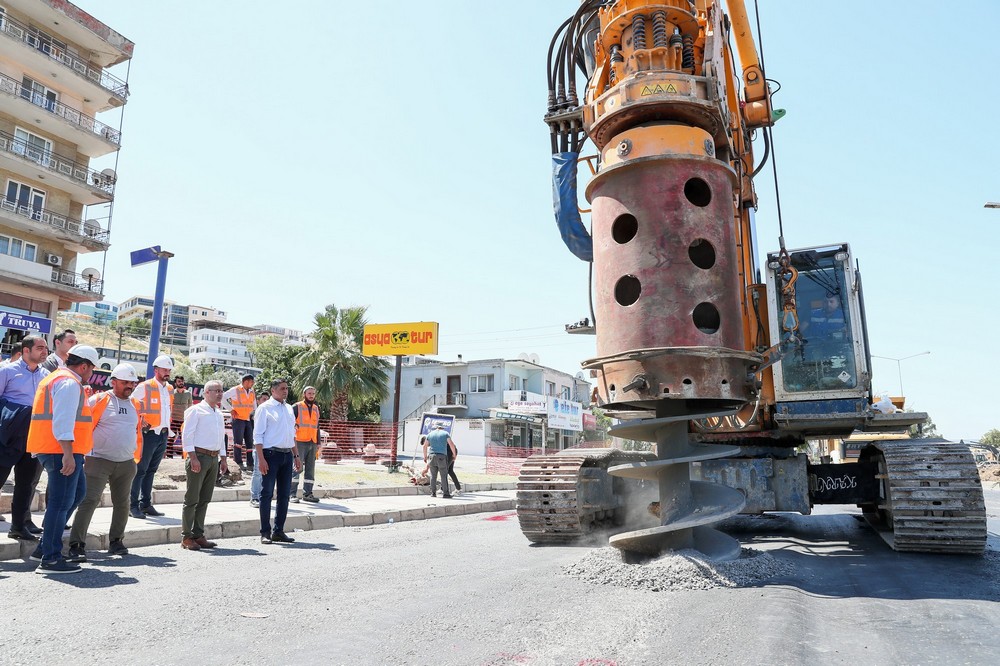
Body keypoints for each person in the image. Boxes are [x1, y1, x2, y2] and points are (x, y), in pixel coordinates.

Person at [26, 344, 99, 574]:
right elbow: (63, 420)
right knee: (59, 504)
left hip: (59, 449)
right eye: (92, 369)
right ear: (84, 365)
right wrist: (68, 453)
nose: (92, 373)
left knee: (77, 494)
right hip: (61, 451)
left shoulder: (59, 378)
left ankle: (45, 546)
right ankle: (50, 558)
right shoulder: (69, 382)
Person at [67, 364, 143, 560]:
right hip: (98, 460)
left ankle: (116, 541)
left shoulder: (135, 403)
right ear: (114, 381)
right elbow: (83, 426)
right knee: (89, 501)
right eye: (125, 382)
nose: (129, 386)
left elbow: (135, 430)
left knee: (123, 504)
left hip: (126, 462)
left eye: (132, 383)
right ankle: (76, 544)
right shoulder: (99, 400)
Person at [0, 335, 49, 540]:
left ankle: (18, 526)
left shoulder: (46, 375)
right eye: (40, 348)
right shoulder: (7, 371)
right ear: (26, 351)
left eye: (46, 348)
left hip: (34, 435)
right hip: (8, 436)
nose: (44, 351)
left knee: (26, 483)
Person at [180, 380, 228, 550]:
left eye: (222, 391)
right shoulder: (195, 410)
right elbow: (187, 435)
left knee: (205, 499)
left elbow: (221, 437)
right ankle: (186, 537)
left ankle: (198, 534)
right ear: (206, 392)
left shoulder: (218, 413)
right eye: (217, 391)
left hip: (213, 458)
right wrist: (193, 457)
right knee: (192, 499)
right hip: (199, 456)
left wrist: (223, 458)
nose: (220, 393)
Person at [253, 379, 301, 544]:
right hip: (270, 454)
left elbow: (291, 435)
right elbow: (257, 436)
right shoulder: (264, 408)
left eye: (287, 388)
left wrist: (296, 456)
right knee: (266, 494)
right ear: (273, 390)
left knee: (284, 494)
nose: (285, 391)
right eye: (282, 388)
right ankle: (265, 532)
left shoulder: (289, 408)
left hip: (287, 455)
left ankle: (278, 531)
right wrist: (261, 459)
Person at [129, 355, 174, 519]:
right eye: (164, 370)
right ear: (156, 370)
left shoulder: (169, 389)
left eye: (169, 370)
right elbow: (131, 402)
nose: (167, 372)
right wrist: (141, 421)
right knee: (140, 470)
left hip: (162, 434)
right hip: (148, 435)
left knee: (151, 471)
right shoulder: (145, 386)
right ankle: (132, 505)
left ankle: (145, 504)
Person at [290, 386, 321, 503]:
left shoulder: (316, 409)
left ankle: (308, 494)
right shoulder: (297, 407)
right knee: (296, 468)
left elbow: (317, 426)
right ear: (304, 394)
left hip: (312, 442)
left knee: (310, 470)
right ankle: (291, 494)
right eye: (309, 393)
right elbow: (289, 422)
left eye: (313, 393)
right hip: (299, 442)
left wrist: (318, 442)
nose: (311, 395)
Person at [223, 375, 255, 471]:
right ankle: (238, 462)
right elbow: (222, 398)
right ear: (246, 381)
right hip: (238, 419)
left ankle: (250, 463)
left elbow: (254, 405)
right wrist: (230, 410)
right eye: (251, 382)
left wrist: (254, 415)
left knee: (249, 442)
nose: (252, 384)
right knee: (238, 442)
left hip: (248, 419)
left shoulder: (252, 391)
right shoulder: (235, 390)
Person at [422, 424, 457, 498]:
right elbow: (451, 444)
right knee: (443, 476)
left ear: (436, 427)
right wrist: (454, 454)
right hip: (441, 457)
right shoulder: (445, 434)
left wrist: (425, 456)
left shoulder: (430, 434)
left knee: (433, 476)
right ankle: (446, 494)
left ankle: (433, 493)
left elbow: (425, 446)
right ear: (442, 428)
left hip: (431, 456)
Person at [248, 391, 269, 508]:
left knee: (265, 473)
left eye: (267, 399)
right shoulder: (255, 413)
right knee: (257, 472)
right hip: (257, 447)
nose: (266, 401)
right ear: (258, 401)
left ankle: (262, 496)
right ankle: (254, 497)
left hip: (269, 447)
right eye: (263, 399)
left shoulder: (271, 412)